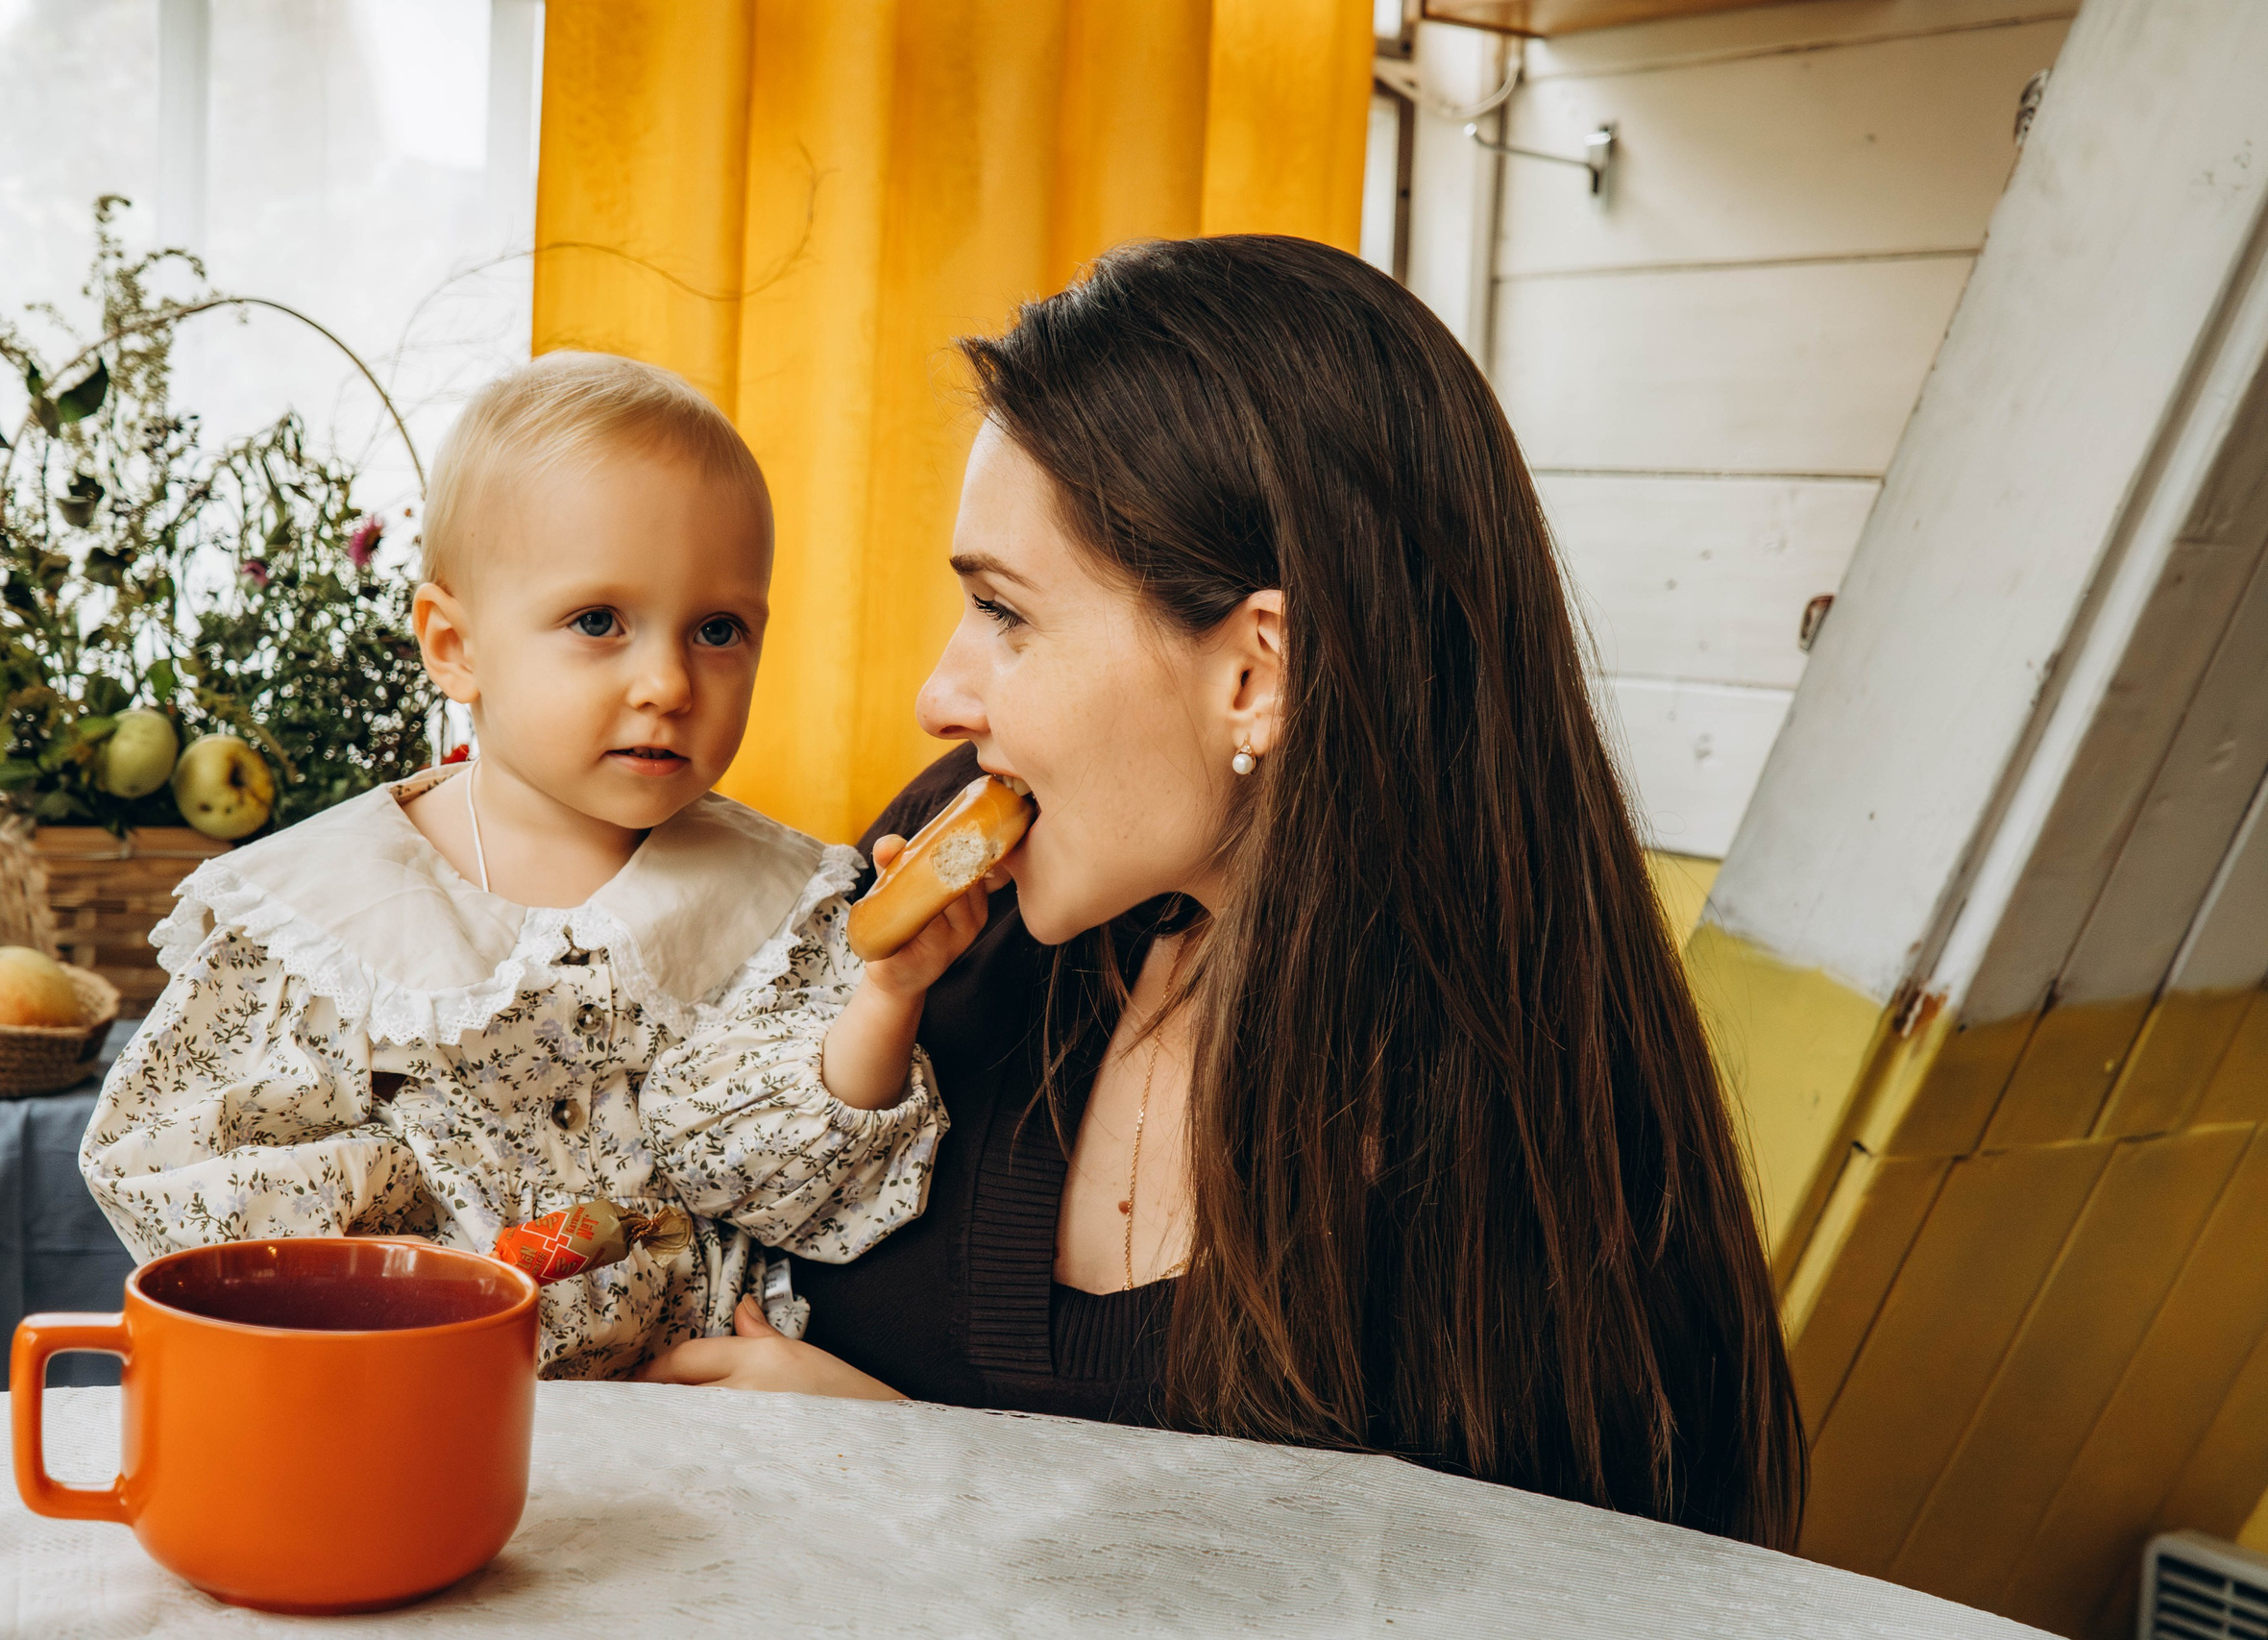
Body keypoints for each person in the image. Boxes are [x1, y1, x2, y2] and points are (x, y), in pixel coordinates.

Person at [636, 235, 1808, 1548]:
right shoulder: (953, 895)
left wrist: (910, 1467)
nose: (942, 696)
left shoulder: (1530, 1190)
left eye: (1007, 612)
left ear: (1257, 671)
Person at [81, 352, 984, 1379]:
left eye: (718, 630)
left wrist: (885, 997)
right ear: (453, 644)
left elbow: (789, 1187)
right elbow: (187, 1172)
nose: (668, 682)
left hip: (704, 1425)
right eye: (598, 622)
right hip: (411, 1406)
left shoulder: (779, 900)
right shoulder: (325, 912)